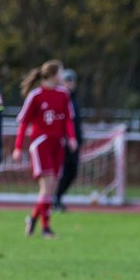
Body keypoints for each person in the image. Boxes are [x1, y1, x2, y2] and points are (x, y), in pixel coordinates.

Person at [12, 59, 76, 237]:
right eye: (61, 72)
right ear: (54, 74)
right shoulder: (36, 95)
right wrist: (18, 147)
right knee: (47, 187)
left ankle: (33, 219)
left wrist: (71, 138)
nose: (63, 75)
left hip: (58, 144)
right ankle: (45, 228)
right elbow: (24, 123)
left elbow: (68, 119)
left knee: (52, 188)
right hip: (41, 144)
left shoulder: (63, 94)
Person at [53, 69, 84, 211]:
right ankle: (54, 199)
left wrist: (77, 138)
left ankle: (57, 198)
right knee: (62, 172)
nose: (70, 84)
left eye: (72, 81)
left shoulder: (74, 99)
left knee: (72, 172)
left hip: (74, 142)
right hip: (62, 142)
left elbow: (74, 122)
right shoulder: (59, 98)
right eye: (67, 81)